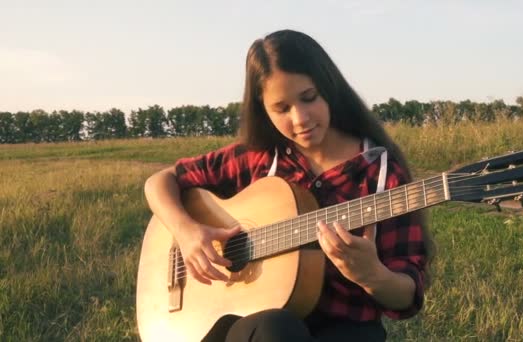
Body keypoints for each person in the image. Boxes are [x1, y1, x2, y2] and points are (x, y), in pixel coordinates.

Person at [144, 29, 434, 342]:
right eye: (281, 108)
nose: (300, 119)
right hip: (252, 325)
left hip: (347, 327)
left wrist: (372, 274)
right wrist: (187, 231)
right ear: (263, 109)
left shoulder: (380, 172)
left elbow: (407, 293)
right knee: (275, 328)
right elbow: (160, 181)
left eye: (309, 98)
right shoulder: (260, 159)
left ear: (329, 87)